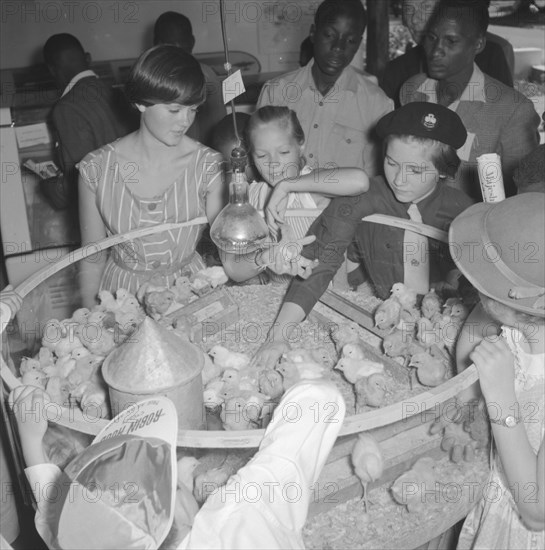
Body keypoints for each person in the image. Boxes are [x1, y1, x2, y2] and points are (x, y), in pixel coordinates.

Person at [253, 102, 475, 367]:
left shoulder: (466, 213)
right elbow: (318, 264)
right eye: (391, 163)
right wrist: (278, 336)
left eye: (415, 170)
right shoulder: (362, 199)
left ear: (443, 169)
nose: (400, 179)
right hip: (384, 322)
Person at [8, 379, 345, 549]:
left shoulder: (84, 539)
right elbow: (321, 399)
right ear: (179, 509)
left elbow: (62, 521)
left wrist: (29, 439)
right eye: (177, 480)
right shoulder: (243, 516)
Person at [77, 45, 225, 307]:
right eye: (174, 110)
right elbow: (93, 258)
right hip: (123, 299)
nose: (186, 121)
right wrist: (92, 318)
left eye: (193, 109)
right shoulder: (96, 168)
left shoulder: (208, 165)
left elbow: (227, 248)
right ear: (140, 102)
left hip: (189, 294)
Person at [447, 193, 545, 548]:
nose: (472, 280)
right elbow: (472, 340)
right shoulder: (516, 327)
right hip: (495, 499)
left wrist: (501, 399)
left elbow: (536, 512)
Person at [400, 0, 540, 199]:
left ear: (478, 44)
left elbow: (523, 196)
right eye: (431, 37)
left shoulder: (513, 111)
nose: (436, 50)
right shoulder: (412, 90)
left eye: (451, 41)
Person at [256, 0, 393, 177]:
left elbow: (376, 182)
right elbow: (259, 163)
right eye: (329, 35)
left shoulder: (377, 104)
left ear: (358, 44)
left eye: (350, 40)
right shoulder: (275, 93)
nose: (338, 47)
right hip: (284, 202)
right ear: (313, 33)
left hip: (349, 205)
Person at [246, 106, 369, 241]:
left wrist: (286, 186)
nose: (273, 162)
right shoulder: (251, 195)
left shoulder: (310, 187)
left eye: (284, 152)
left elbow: (360, 182)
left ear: (301, 147)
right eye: (262, 156)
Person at [43, 34, 132, 212]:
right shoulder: (120, 93)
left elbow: (81, 182)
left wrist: (50, 187)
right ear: (88, 58)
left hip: (109, 217)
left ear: (52, 70)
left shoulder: (66, 108)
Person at [380, 0, 515, 107]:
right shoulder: (396, 70)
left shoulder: (489, 55)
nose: (414, 19)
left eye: (425, 7)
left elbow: (507, 114)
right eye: (408, 9)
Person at [154, 11, 227, 147]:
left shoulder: (205, 75)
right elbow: (220, 125)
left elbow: (219, 124)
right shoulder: (206, 73)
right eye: (171, 44)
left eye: (179, 44)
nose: (177, 52)